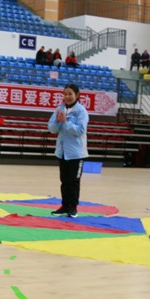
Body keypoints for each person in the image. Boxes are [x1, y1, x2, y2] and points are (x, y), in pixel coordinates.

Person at [47, 84, 88, 218]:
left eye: (70, 94)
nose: (67, 97)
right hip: (63, 152)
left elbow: (80, 130)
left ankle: (73, 208)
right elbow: (51, 129)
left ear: (77, 95)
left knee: (73, 182)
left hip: (76, 153)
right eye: (65, 94)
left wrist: (65, 122)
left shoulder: (81, 111)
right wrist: (57, 121)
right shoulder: (59, 109)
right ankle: (64, 206)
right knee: (64, 180)